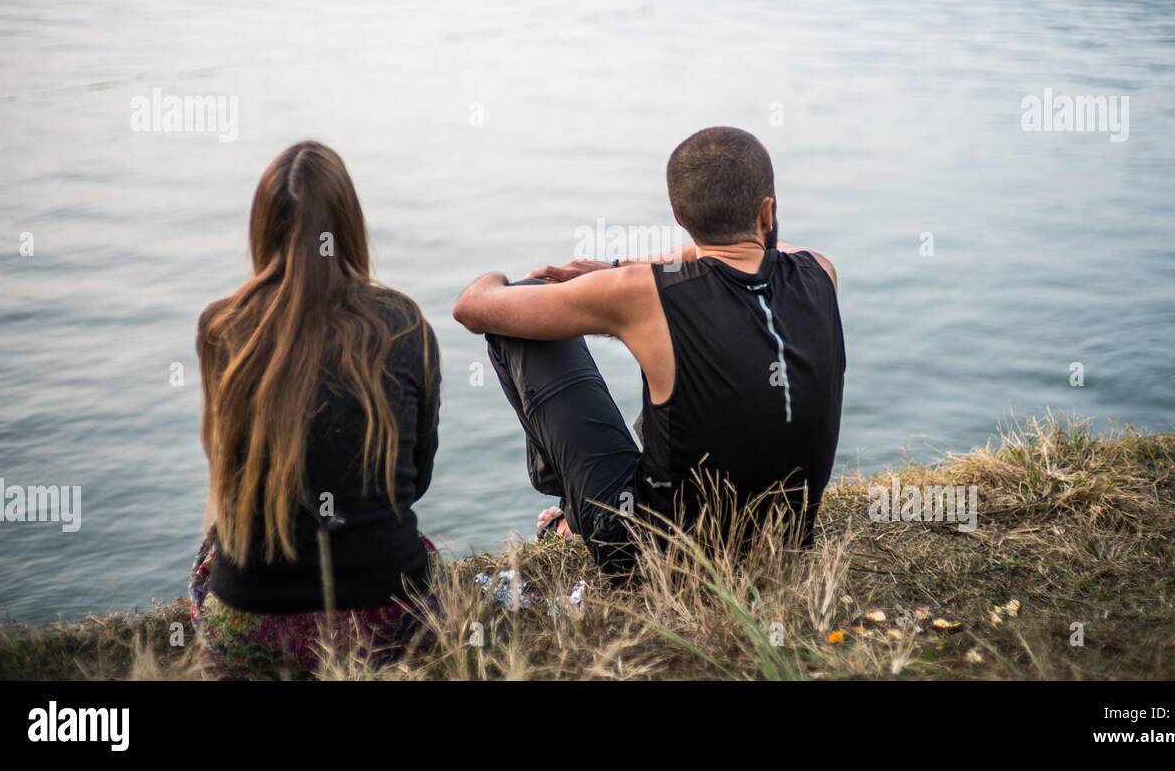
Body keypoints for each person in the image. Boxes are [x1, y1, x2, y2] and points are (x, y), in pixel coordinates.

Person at [453, 126, 845, 574]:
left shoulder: (645, 294)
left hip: (653, 559)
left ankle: (578, 513)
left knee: (520, 317)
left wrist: (499, 277)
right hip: (787, 541)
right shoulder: (820, 274)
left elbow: (473, 309)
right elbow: (770, 251)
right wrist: (620, 268)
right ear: (768, 210)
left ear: (679, 216)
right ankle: (578, 510)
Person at [189, 140, 441, 679]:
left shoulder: (223, 329)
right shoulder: (404, 323)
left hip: (250, 629)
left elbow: (229, 480)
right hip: (387, 623)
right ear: (350, 224)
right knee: (420, 549)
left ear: (261, 228)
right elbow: (414, 481)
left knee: (213, 553)